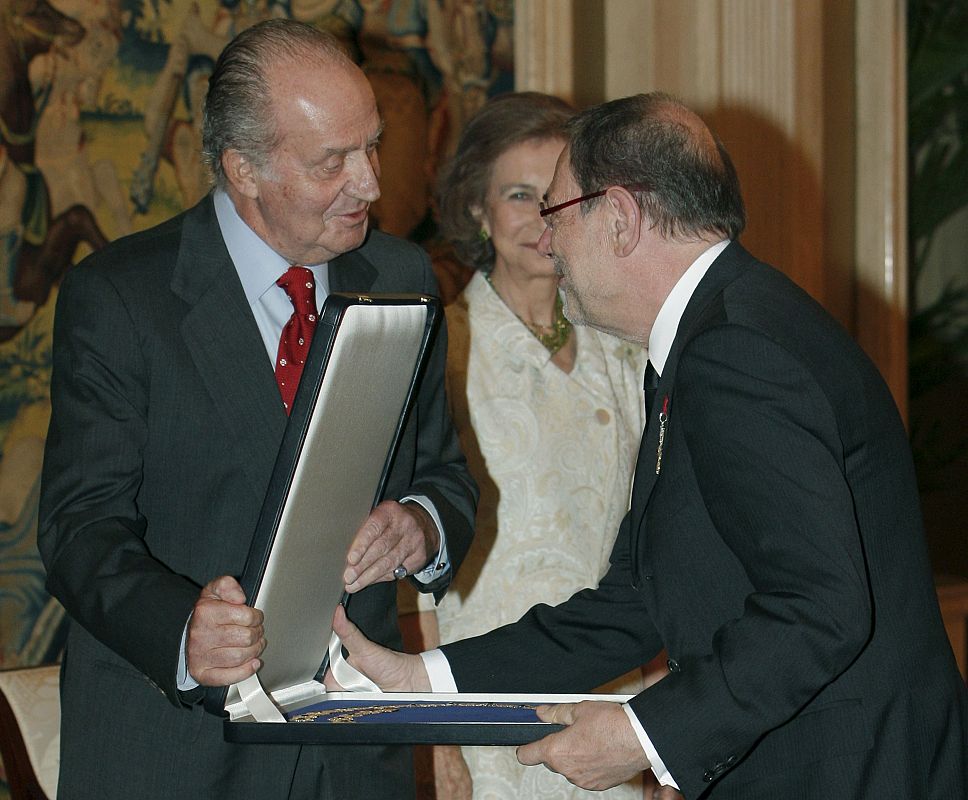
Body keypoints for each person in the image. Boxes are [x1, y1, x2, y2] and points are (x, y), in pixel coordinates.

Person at [332, 91, 968, 799]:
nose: (548, 241)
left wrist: (647, 736)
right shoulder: (710, 335)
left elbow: (820, 608)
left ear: (620, 218)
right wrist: (426, 679)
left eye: (556, 213)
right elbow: (638, 598)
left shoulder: (735, 351)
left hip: (847, 769)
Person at [38, 19, 477, 800]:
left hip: (354, 751)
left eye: (372, 147)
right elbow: (80, 526)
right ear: (243, 168)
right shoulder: (120, 299)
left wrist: (421, 525)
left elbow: (444, 474)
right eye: (332, 161)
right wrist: (183, 630)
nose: (371, 184)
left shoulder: (401, 274)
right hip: (176, 751)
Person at [404, 91, 649, 799]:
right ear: (476, 209)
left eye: (559, 195)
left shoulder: (626, 350)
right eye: (518, 196)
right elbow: (406, 565)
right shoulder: (439, 349)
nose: (543, 218)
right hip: (482, 713)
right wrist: (436, 739)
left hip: (614, 712)